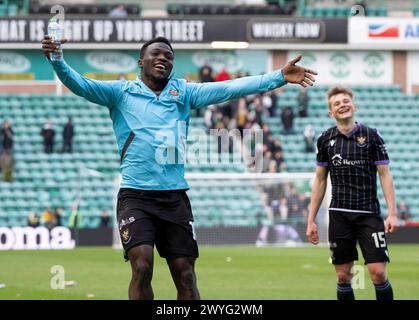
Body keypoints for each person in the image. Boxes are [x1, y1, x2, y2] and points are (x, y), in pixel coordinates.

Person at [42, 35, 317, 300]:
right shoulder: (120, 92)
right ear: (141, 62)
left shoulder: (184, 92)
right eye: (156, 54)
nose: (163, 58)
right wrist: (56, 58)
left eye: (169, 56)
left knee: (185, 276)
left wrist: (278, 76)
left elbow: (231, 87)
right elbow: (79, 84)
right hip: (135, 197)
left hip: (174, 198)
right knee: (142, 267)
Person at [306, 85, 399, 300]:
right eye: (337, 103)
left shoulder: (372, 136)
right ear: (331, 112)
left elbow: (385, 175)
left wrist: (392, 213)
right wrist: (311, 219)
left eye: (346, 101)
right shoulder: (325, 140)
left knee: (378, 272)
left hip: (368, 214)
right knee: (343, 276)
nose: (342, 105)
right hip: (339, 215)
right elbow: (320, 180)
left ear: (354, 105)